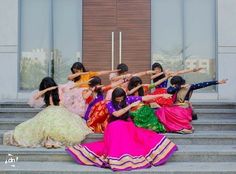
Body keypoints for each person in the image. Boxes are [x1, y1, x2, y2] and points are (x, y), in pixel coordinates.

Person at [66, 87, 177, 171]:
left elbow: (145, 97)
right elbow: (117, 114)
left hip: (127, 123)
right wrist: (129, 106)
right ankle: (119, 157)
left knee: (142, 136)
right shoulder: (110, 104)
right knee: (118, 130)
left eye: (121, 98)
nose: (119, 101)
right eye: (117, 99)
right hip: (114, 125)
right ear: (114, 97)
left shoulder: (128, 98)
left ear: (124, 96)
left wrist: (162, 95)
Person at [3, 77, 92, 148]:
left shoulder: (60, 88)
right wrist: (47, 90)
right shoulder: (45, 93)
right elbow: (35, 97)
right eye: (46, 87)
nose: (47, 88)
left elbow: (73, 86)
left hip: (60, 110)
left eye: (48, 86)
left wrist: (87, 82)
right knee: (47, 124)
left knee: (58, 124)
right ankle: (49, 140)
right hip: (49, 111)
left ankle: (53, 140)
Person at [156, 76, 228, 134]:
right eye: (173, 84)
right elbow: (169, 90)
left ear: (178, 83)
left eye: (174, 84)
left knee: (176, 112)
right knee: (161, 110)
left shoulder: (189, 87)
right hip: (175, 106)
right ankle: (171, 126)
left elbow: (203, 84)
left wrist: (217, 82)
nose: (173, 85)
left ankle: (182, 127)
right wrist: (180, 87)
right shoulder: (174, 88)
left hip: (184, 108)